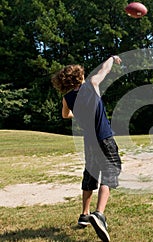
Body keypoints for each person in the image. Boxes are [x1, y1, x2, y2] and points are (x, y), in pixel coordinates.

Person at [51, 55, 122, 242]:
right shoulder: (92, 84)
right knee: (111, 170)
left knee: (90, 174)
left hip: (89, 141)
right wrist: (112, 58)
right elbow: (104, 70)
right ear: (79, 76)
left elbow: (65, 115)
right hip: (104, 138)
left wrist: (79, 113)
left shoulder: (67, 97)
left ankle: (84, 215)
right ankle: (99, 214)